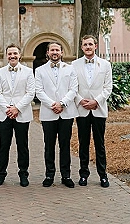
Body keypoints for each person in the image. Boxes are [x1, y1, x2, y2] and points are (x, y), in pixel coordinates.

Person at [35, 41, 78, 188]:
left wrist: (62, 103)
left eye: (57, 50)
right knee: (49, 145)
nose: (55, 52)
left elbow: (73, 89)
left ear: (61, 53)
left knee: (65, 145)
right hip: (48, 113)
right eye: (52, 50)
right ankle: (49, 174)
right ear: (47, 53)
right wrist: (52, 105)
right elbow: (39, 91)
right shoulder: (40, 70)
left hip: (66, 113)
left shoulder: (70, 69)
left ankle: (66, 175)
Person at [72, 35, 113, 188]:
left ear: (95, 46)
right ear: (81, 47)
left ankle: (103, 175)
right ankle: (83, 174)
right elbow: (72, 87)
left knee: (99, 144)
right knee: (83, 143)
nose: (88, 47)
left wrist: (96, 101)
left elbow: (108, 88)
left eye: (90, 44)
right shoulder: (74, 65)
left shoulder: (105, 65)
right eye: (85, 45)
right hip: (82, 109)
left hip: (98, 109)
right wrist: (80, 100)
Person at [0, 43, 35, 187]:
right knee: (3, 145)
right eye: (10, 54)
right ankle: (1, 174)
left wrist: (17, 108)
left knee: (22, 145)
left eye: (15, 53)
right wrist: (8, 108)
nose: (12, 56)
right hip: (5, 114)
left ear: (20, 55)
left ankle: (23, 174)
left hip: (22, 114)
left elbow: (30, 93)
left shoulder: (28, 72)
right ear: (6, 56)